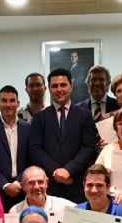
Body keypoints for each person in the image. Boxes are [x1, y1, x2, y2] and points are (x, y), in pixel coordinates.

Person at [29, 67, 97, 203]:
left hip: (77, 185)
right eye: (54, 86)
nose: (59, 89)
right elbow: (35, 149)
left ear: (71, 86)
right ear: (49, 88)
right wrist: (57, 172)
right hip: (49, 187)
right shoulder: (39, 118)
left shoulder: (85, 116)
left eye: (63, 85)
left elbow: (89, 148)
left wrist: (68, 170)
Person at [9, 166, 75, 216]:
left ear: (46, 183)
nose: (37, 187)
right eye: (31, 183)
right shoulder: (14, 211)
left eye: (40, 182)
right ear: (23, 186)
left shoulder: (66, 207)